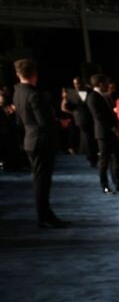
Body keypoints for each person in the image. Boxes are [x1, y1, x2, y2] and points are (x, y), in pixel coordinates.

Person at [13, 59, 68, 228]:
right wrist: (60, 124)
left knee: (40, 180)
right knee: (42, 181)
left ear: (18, 74)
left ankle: (46, 215)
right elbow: (45, 122)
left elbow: (19, 121)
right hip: (41, 142)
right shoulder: (34, 94)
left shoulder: (17, 93)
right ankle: (44, 217)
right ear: (35, 74)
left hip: (30, 140)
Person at [87, 74, 119, 194]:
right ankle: (105, 186)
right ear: (100, 84)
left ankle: (118, 183)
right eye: (105, 83)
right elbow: (99, 116)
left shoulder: (103, 95)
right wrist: (112, 127)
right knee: (104, 160)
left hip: (110, 132)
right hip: (103, 133)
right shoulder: (93, 97)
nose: (107, 85)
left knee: (117, 158)